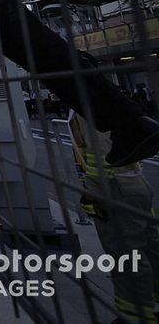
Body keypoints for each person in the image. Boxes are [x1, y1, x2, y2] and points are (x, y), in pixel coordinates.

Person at [70, 107, 159, 324]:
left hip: (114, 188)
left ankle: (134, 316)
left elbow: (102, 156)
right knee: (150, 248)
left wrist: (92, 191)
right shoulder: (103, 101)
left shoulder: (88, 104)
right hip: (133, 182)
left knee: (127, 259)